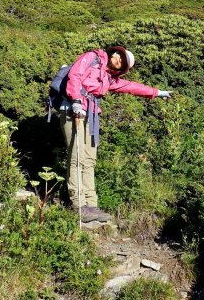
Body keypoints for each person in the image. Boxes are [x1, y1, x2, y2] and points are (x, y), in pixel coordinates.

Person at [59, 45, 172, 223]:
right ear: (115, 52)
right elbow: (75, 75)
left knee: (89, 159)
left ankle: (91, 204)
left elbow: (131, 87)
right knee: (77, 157)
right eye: (120, 55)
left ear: (122, 69)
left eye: (123, 62)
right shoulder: (92, 58)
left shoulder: (108, 78)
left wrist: (157, 93)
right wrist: (76, 101)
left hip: (91, 114)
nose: (119, 59)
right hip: (73, 110)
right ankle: (78, 205)